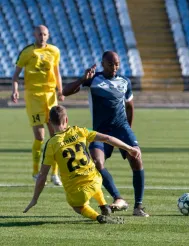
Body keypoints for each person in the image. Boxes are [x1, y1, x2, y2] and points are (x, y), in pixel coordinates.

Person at [62, 51, 149, 217]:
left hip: (121, 128)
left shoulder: (125, 82)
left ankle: (138, 206)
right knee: (96, 162)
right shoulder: (93, 79)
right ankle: (118, 198)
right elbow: (65, 92)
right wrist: (82, 78)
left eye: (117, 64)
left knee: (137, 158)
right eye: (111, 64)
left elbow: (130, 107)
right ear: (103, 64)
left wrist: (128, 131)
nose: (114, 68)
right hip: (100, 131)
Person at [23, 105, 141, 224]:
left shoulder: (52, 144)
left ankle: (98, 217)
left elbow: (43, 175)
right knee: (94, 175)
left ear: (49, 121)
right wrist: (129, 148)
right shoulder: (80, 131)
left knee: (77, 206)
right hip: (95, 181)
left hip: (77, 191)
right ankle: (103, 204)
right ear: (66, 120)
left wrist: (34, 199)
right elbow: (107, 138)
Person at [11, 25, 64, 185]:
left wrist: (60, 90)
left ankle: (55, 174)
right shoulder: (27, 52)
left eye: (45, 34)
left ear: (48, 35)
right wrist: (15, 91)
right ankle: (36, 171)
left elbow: (56, 72)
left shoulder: (54, 51)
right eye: (39, 34)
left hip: (50, 96)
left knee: (55, 135)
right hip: (33, 97)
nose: (42, 36)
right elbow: (15, 75)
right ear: (34, 35)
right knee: (40, 137)